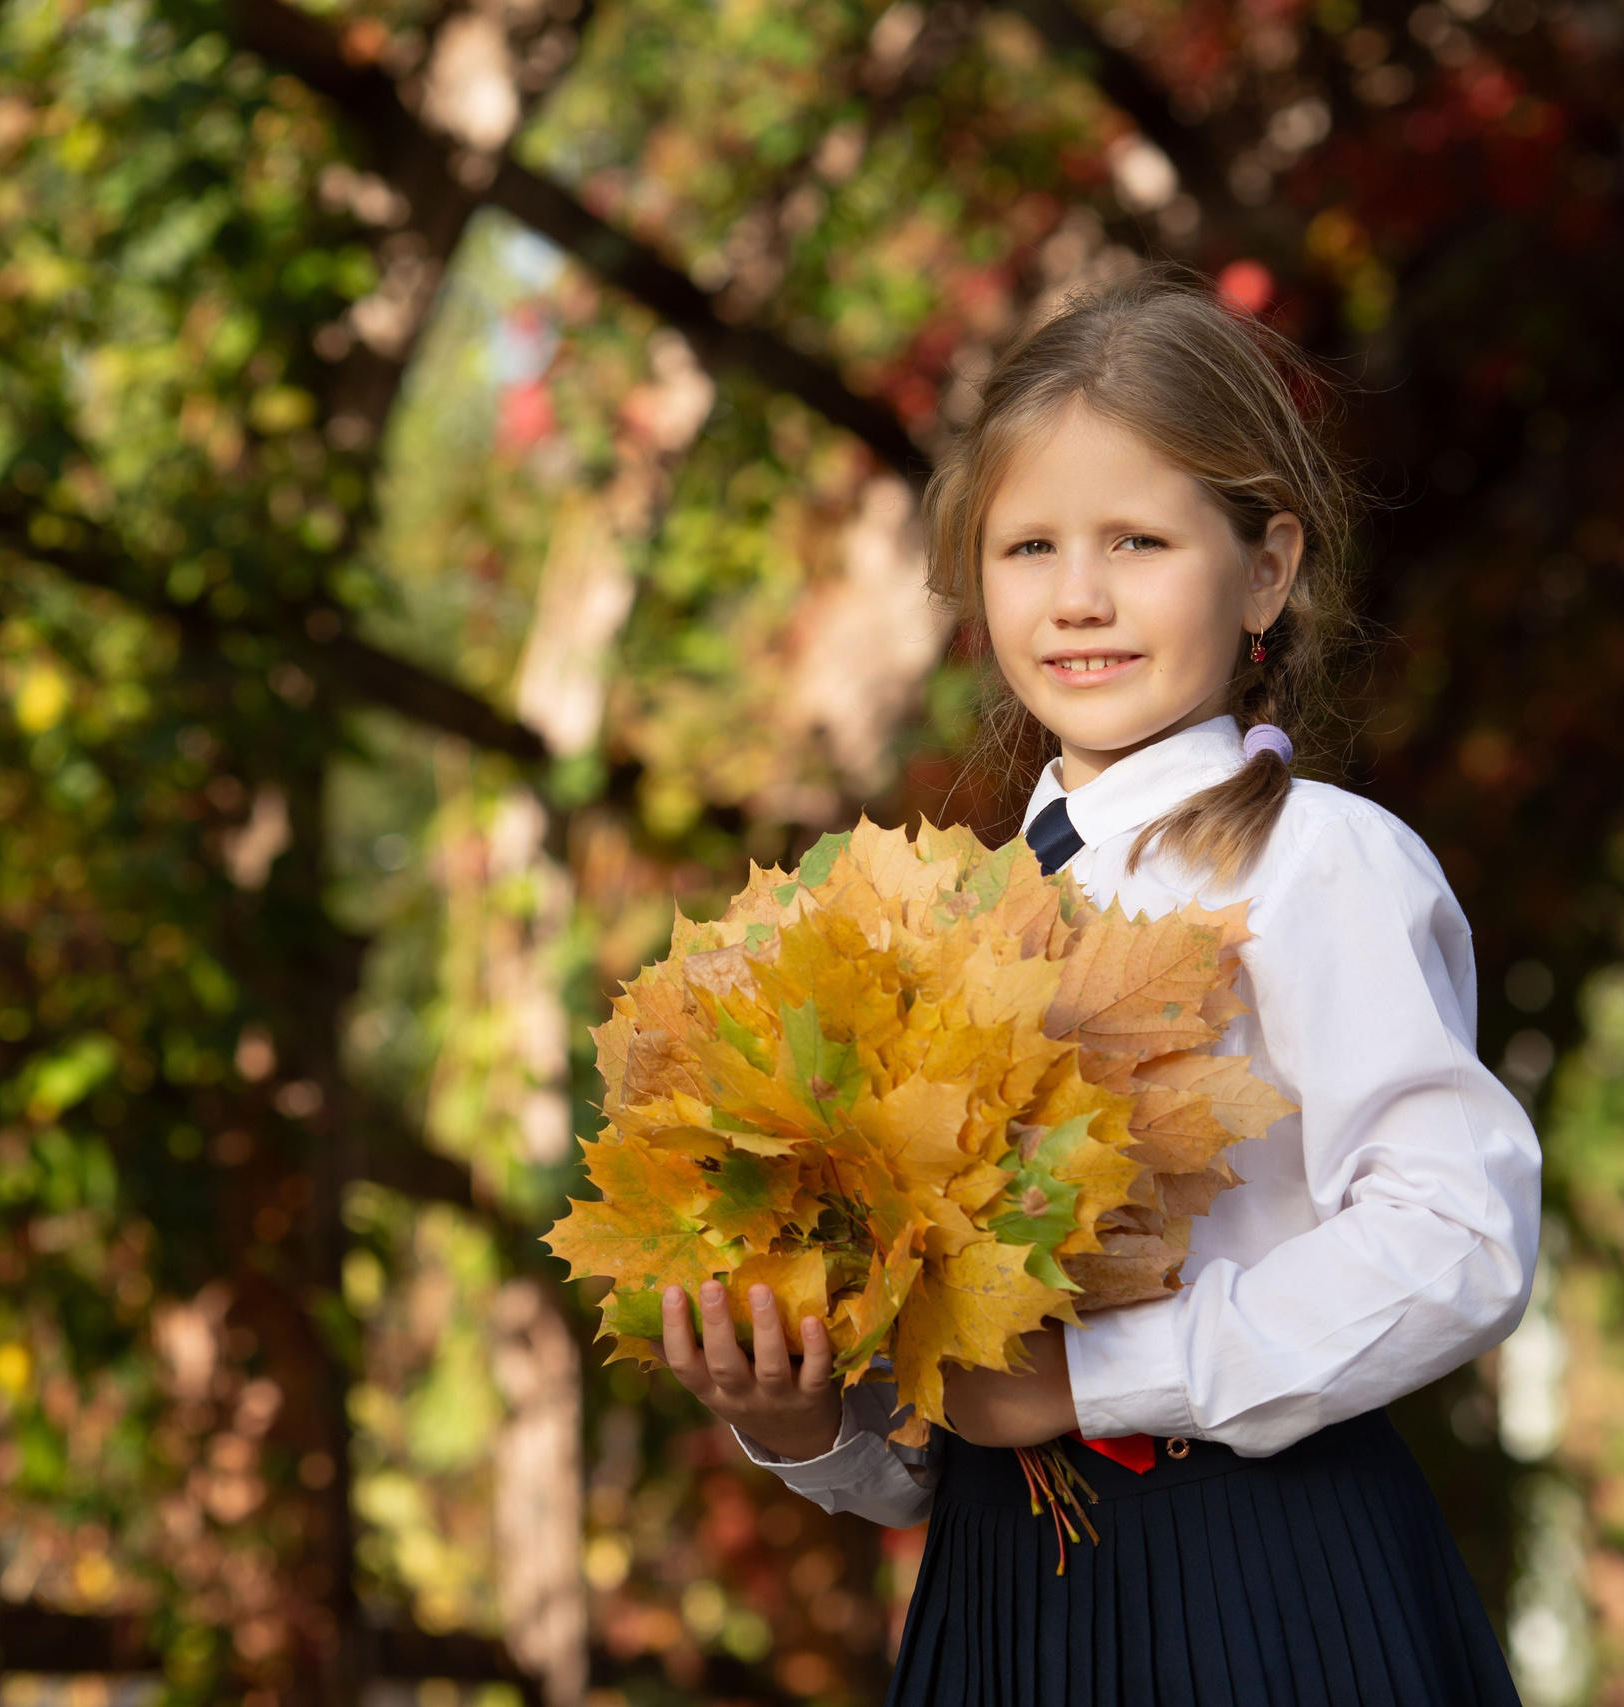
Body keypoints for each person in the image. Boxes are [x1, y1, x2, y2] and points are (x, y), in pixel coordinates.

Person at [652, 269, 1540, 1704]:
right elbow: (949, 1430)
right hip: (1006, 1608)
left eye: (1138, 540)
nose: (1078, 596)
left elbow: (1459, 1237)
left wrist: (1097, 1381)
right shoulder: (936, 929)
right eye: (1028, 547)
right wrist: (814, 1423)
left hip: (1264, 1591)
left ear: (1265, 569)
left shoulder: (1319, 865)